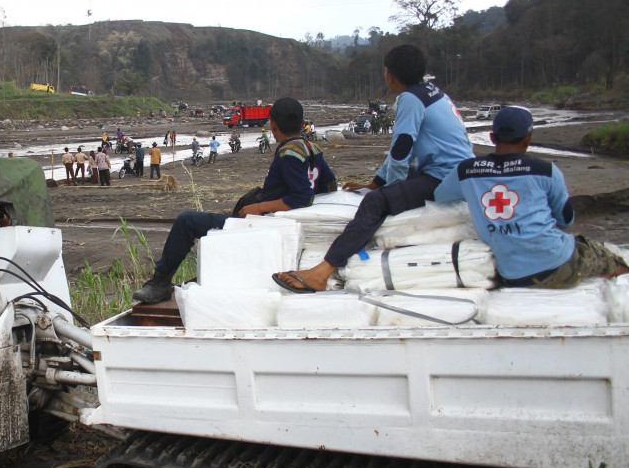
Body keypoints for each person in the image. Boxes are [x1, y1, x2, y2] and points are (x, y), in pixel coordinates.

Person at [273, 45, 473, 293]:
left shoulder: (410, 99)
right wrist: (376, 184)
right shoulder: (432, 92)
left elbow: (401, 151)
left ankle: (322, 272)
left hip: (443, 177)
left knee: (373, 204)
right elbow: (398, 152)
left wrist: (387, 193)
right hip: (455, 172)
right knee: (378, 194)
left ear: (390, 75)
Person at [133, 97, 336, 303]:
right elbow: (329, 185)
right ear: (302, 124)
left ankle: (160, 283)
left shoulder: (289, 153)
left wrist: (259, 207)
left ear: (272, 124)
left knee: (186, 221)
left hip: (262, 223)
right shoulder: (313, 149)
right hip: (273, 219)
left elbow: (301, 195)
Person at [435, 107, 627, 287]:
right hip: (556, 264)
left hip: (511, 274)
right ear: (528, 139)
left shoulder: (466, 171)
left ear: (492, 137)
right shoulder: (546, 171)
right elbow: (566, 220)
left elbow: (440, 197)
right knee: (602, 256)